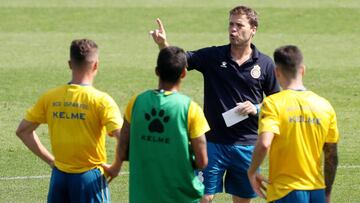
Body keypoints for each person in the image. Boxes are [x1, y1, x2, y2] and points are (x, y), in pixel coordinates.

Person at [150, 5, 280, 203]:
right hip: (212, 142)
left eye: (239, 25)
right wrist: (163, 44)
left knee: (242, 200)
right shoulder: (213, 56)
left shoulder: (264, 63)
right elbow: (179, 61)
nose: (232, 30)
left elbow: (277, 101)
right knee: (204, 197)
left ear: (253, 29)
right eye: (230, 24)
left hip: (247, 145)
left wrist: (256, 107)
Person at [15, 39, 123, 203]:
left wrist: (52, 161)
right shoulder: (102, 101)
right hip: (89, 178)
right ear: (96, 65)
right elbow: (123, 137)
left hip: (59, 178)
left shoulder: (50, 97)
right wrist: (115, 167)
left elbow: (23, 131)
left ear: (70, 64)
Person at [247, 45, 339, 203]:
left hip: (285, 191)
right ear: (303, 70)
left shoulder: (273, 103)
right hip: (317, 191)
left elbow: (264, 144)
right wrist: (327, 192)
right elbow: (332, 155)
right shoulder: (325, 105)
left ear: (276, 72)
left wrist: (252, 172)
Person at [117, 46, 209, 203]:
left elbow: (122, 151)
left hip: (143, 196)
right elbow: (202, 162)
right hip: (181, 197)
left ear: (157, 71)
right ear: (183, 73)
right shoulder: (190, 109)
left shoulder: (136, 102)